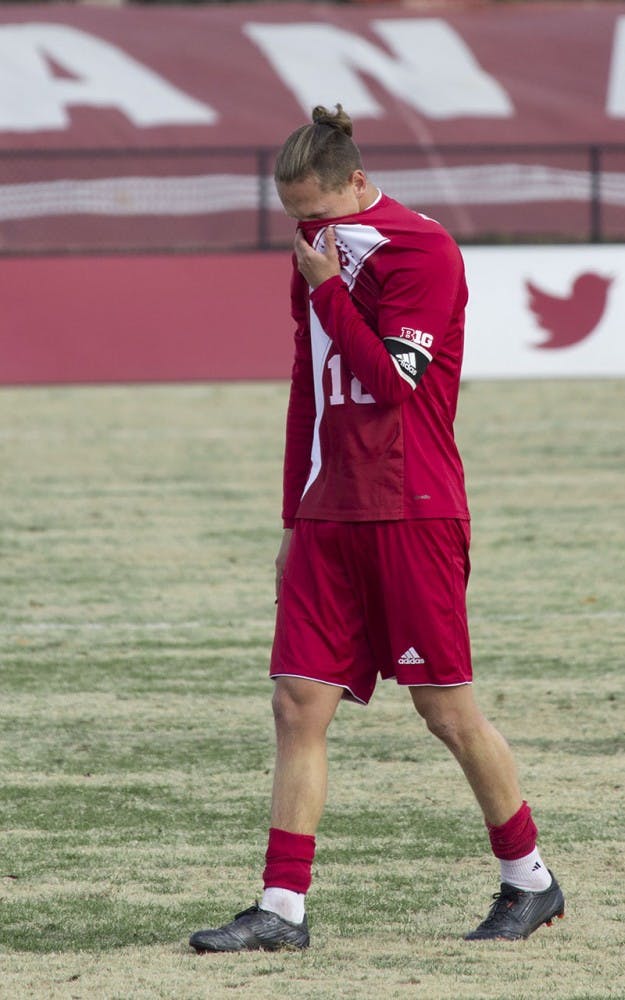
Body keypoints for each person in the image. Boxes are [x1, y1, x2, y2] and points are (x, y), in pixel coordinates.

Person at [189, 104, 564, 952]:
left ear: (357, 181)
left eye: (317, 213)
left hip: (412, 508)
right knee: (296, 703)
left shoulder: (421, 250)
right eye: (294, 219)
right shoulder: (315, 252)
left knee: (447, 713)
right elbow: (308, 387)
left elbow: (392, 383)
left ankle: (528, 879)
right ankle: (280, 907)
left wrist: (327, 285)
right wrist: (294, 510)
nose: (306, 231)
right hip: (331, 512)